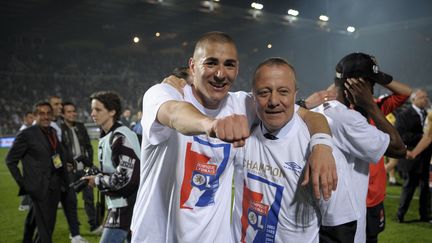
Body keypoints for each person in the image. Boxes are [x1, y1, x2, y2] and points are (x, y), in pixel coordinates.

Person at [131, 31, 337, 242]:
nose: (220, 74)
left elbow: (307, 114)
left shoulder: (242, 105)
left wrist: (322, 146)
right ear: (192, 66)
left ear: (237, 69)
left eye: (229, 65)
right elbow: (174, 114)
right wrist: (211, 124)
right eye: (211, 63)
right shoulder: (164, 93)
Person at [231, 57, 357, 243]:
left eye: (283, 92)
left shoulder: (321, 154)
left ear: (295, 95)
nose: (274, 101)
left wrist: (321, 143)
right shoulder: (242, 134)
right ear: (253, 96)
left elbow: (340, 227)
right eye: (264, 92)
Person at [310, 53, 406, 243]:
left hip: (321, 218)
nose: (373, 90)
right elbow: (398, 148)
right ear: (357, 85)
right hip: (345, 222)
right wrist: (370, 105)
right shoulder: (347, 119)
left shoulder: (318, 109)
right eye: (371, 85)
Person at [6, 101, 68, 243]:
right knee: (46, 229)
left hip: (54, 186)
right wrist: (24, 184)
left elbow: (56, 155)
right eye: (41, 113)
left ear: (52, 115)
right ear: (35, 116)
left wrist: (64, 172)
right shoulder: (26, 134)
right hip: (38, 188)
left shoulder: (51, 132)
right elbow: (10, 160)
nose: (45, 117)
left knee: (40, 223)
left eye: (48, 113)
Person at [84, 91, 140, 243]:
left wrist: (97, 180)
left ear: (112, 111)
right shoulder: (109, 135)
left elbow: (126, 179)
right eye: (92, 109)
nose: (92, 113)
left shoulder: (120, 137)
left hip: (126, 206)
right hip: (123, 204)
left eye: (98, 109)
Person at [49, 96, 89, 243]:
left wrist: (67, 162)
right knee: (43, 213)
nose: (59, 106)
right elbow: (51, 151)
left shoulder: (57, 126)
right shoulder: (47, 126)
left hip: (64, 172)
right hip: (51, 175)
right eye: (56, 104)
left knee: (71, 202)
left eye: (60, 104)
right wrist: (60, 164)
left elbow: (59, 149)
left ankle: (75, 235)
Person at [60, 101, 101, 233]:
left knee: (89, 198)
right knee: (71, 202)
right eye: (69, 112)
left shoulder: (80, 126)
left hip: (84, 169)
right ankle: (75, 230)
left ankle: (94, 226)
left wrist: (89, 162)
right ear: (62, 114)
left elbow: (88, 146)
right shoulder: (60, 129)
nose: (72, 114)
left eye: (74, 111)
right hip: (69, 171)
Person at [395, 89, 432, 223]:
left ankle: (425, 215)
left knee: (425, 188)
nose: (425, 99)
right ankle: (400, 215)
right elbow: (401, 136)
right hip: (411, 157)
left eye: (426, 97)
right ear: (414, 99)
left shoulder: (428, 114)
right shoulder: (404, 114)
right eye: (422, 97)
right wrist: (424, 137)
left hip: (425, 156)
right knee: (409, 186)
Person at [18, 111, 35, 211]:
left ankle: (28, 204)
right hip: (28, 162)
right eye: (30, 118)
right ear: (25, 119)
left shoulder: (28, 130)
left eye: (33, 117)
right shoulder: (23, 131)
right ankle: (24, 204)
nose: (32, 120)